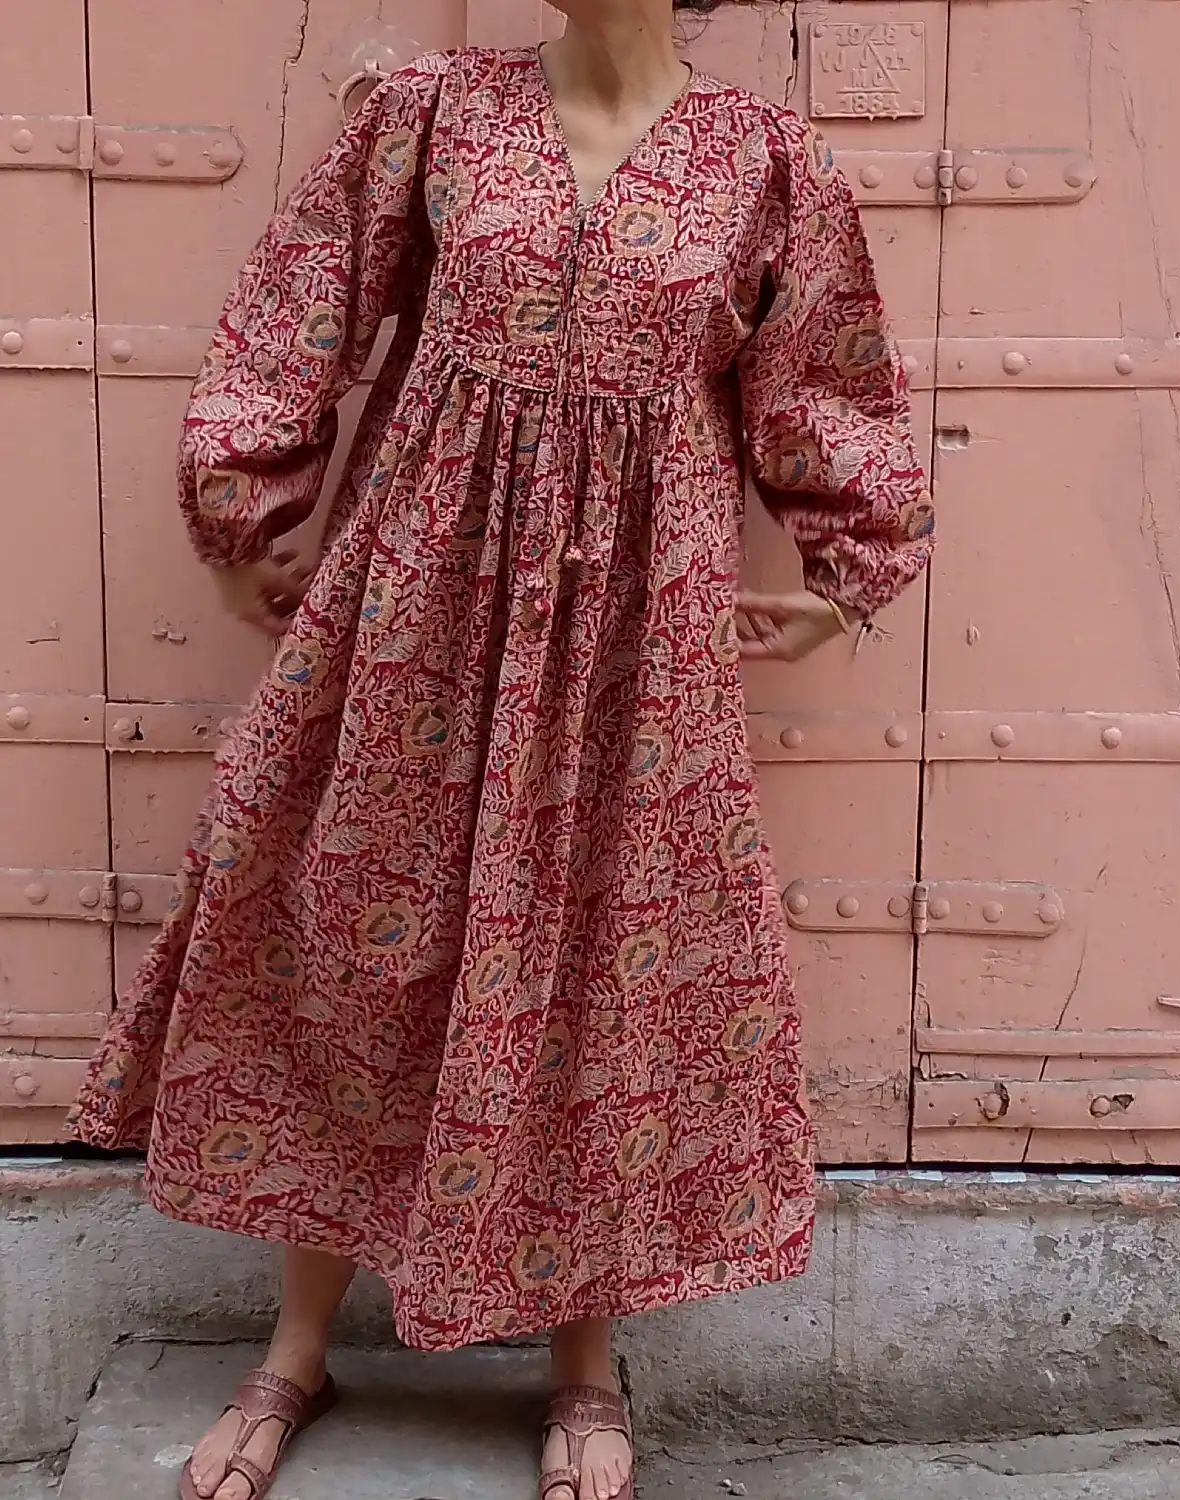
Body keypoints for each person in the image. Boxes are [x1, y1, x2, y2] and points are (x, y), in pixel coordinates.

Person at [69, 1, 934, 1497]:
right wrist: (245, 507)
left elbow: (824, 382)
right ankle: (295, 1349)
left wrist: (845, 575)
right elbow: (303, 303)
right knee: (355, 933)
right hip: (419, 594)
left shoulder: (766, 161)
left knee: (599, 968)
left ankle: (584, 1371)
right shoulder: (433, 112)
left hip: (634, 640)